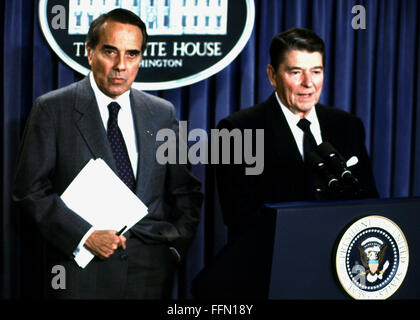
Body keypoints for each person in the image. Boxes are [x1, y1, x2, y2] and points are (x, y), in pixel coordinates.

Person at [12, 9, 203, 299]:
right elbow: (29, 191)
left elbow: (185, 191)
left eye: (132, 54)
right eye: (110, 52)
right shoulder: (52, 109)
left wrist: (173, 250)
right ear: (89, 52)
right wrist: (85, 235)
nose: (121, 66)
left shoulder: (162, 114)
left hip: (149, 272)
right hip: (79, 274)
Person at [215, 28, 378, 236]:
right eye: (296, 72)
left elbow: (369, 202)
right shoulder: (237, 131)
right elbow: (238, 217)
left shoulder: (348, 126)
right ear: (272, 76)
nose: (308, 83)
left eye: (316, 71)